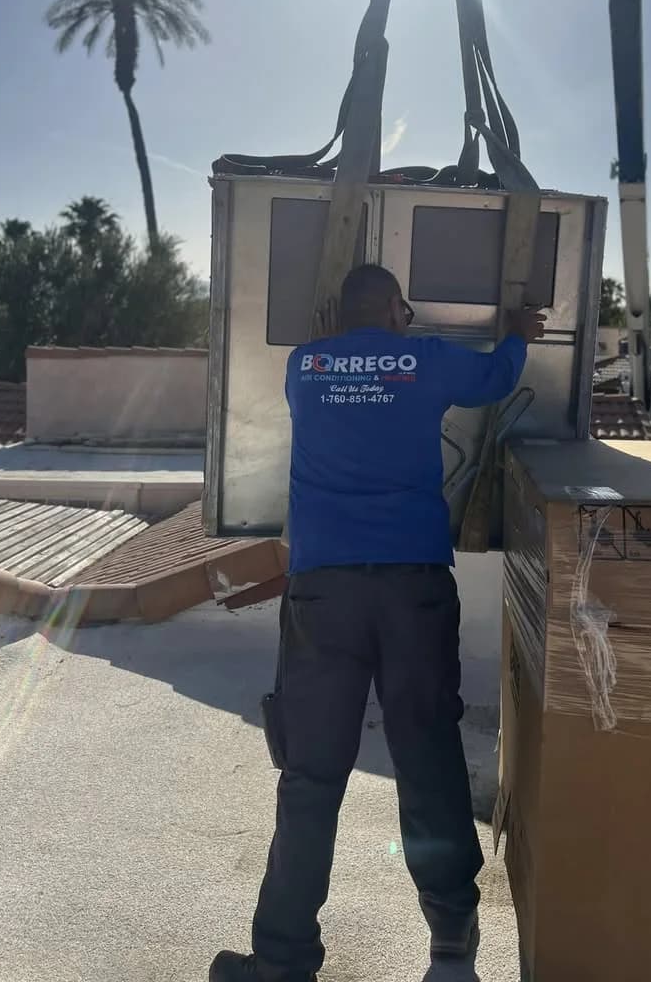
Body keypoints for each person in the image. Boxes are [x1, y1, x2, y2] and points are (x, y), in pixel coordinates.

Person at [210, 264, 545, 982]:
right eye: (405, 308)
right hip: (413, 590)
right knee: (427, 761)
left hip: (324, 591)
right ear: (397, 308)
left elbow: (338, 359)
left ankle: (281, 963)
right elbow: (495, 381)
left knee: (311, 774)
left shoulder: (305, 366)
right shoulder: (424, 360)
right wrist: (517, 335)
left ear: (336, 314)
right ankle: (452, 945)